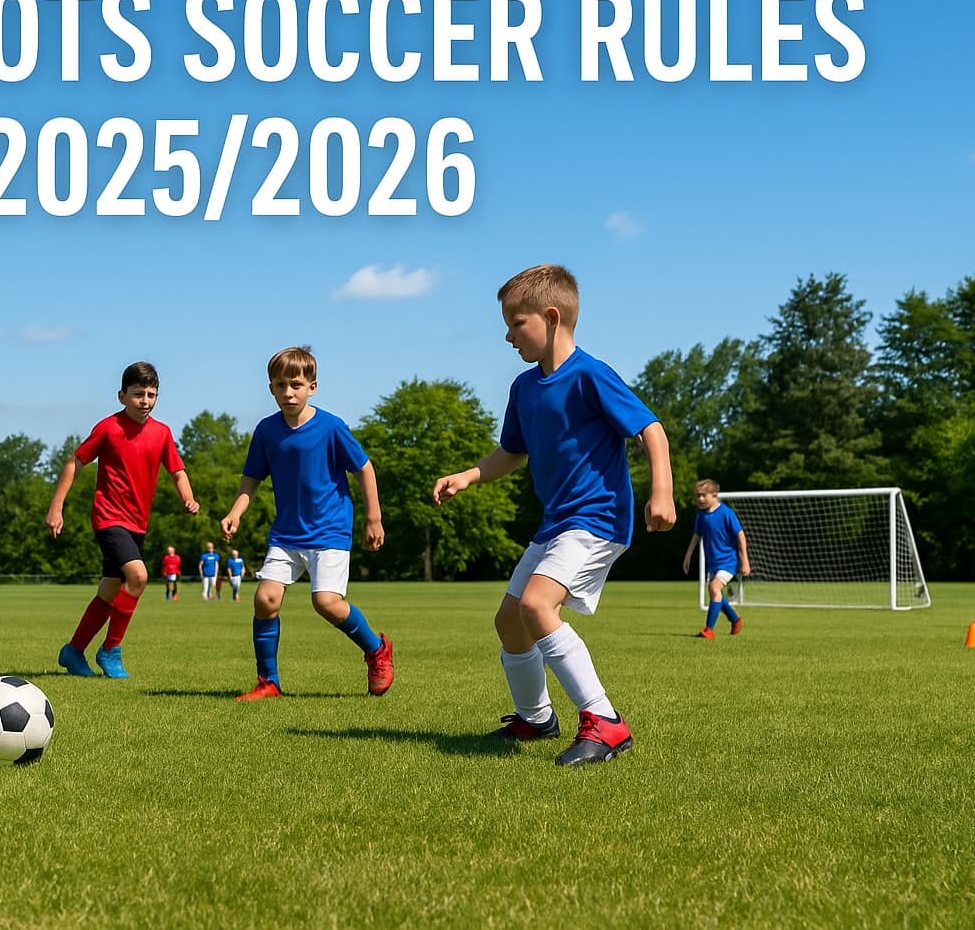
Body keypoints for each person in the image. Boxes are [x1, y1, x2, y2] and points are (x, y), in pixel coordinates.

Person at [432, 264, 675, 767]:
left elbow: (651, 429)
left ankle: (605, 722)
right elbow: (511, 453)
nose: (507, 335)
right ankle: (537, 718)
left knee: (538, 606)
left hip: (598, 517)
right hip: (557, 522)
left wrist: (662, 492)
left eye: (516, 323)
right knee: (509, 620)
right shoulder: (523, 388)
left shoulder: (590, 374)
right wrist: (468, 475)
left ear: (551, 316)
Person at [221, 346, 394, 700]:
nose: (289, 392)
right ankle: (268, 682)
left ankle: (376, 649)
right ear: (271, 388)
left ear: (312, 387)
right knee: (265, 600)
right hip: (286, 534)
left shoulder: (331, 427)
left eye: (296, 384)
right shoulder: (266, 431)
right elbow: (251, 479)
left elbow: (364, 468)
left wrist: (373, 517)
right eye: (281, 385)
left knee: (326, 602)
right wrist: (236, 511)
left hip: (329, 531)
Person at [46, 362, 199, 678]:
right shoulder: (108, 428)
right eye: (138, 394)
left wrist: (188, 497)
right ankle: (110, 650)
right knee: (138, 576)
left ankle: (73, 651)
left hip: (137, 524)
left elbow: (177, 470)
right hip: (108, 518)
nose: (145, 401)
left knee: (109, 590)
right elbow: (76, 463)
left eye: (151, 394)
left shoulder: (162, 433)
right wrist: (56, 506)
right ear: (122, 395)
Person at [683, 479, 749, 638]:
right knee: (715, 592)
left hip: (728, 562)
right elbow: (696, 536)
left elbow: (740, 535)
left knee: (713, 588)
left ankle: (709, 630)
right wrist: (688, 556)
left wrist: (745, 559)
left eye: (703, 496)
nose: (699, 499)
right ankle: (735, 619)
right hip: (713, 563)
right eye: (697, 496)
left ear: (714, 495)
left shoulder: (726, 513)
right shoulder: (701, 516)